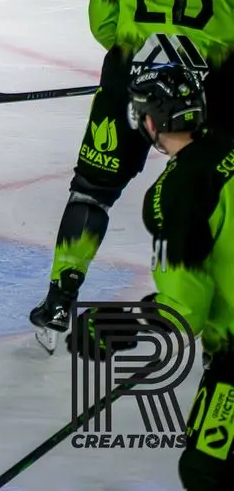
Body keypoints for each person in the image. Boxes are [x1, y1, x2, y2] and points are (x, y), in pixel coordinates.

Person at [30, 0, 234, 349]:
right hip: (216, 83)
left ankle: (59, 298)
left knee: (92, 191)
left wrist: (141, 59)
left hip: (131, 83)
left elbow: (102, 20)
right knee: (218, 187)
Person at [119, 58, 234, 491]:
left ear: (150, 121)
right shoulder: (228, 144)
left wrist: (134, 323)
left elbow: (185, 313)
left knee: (207, 470)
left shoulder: (175, 191)